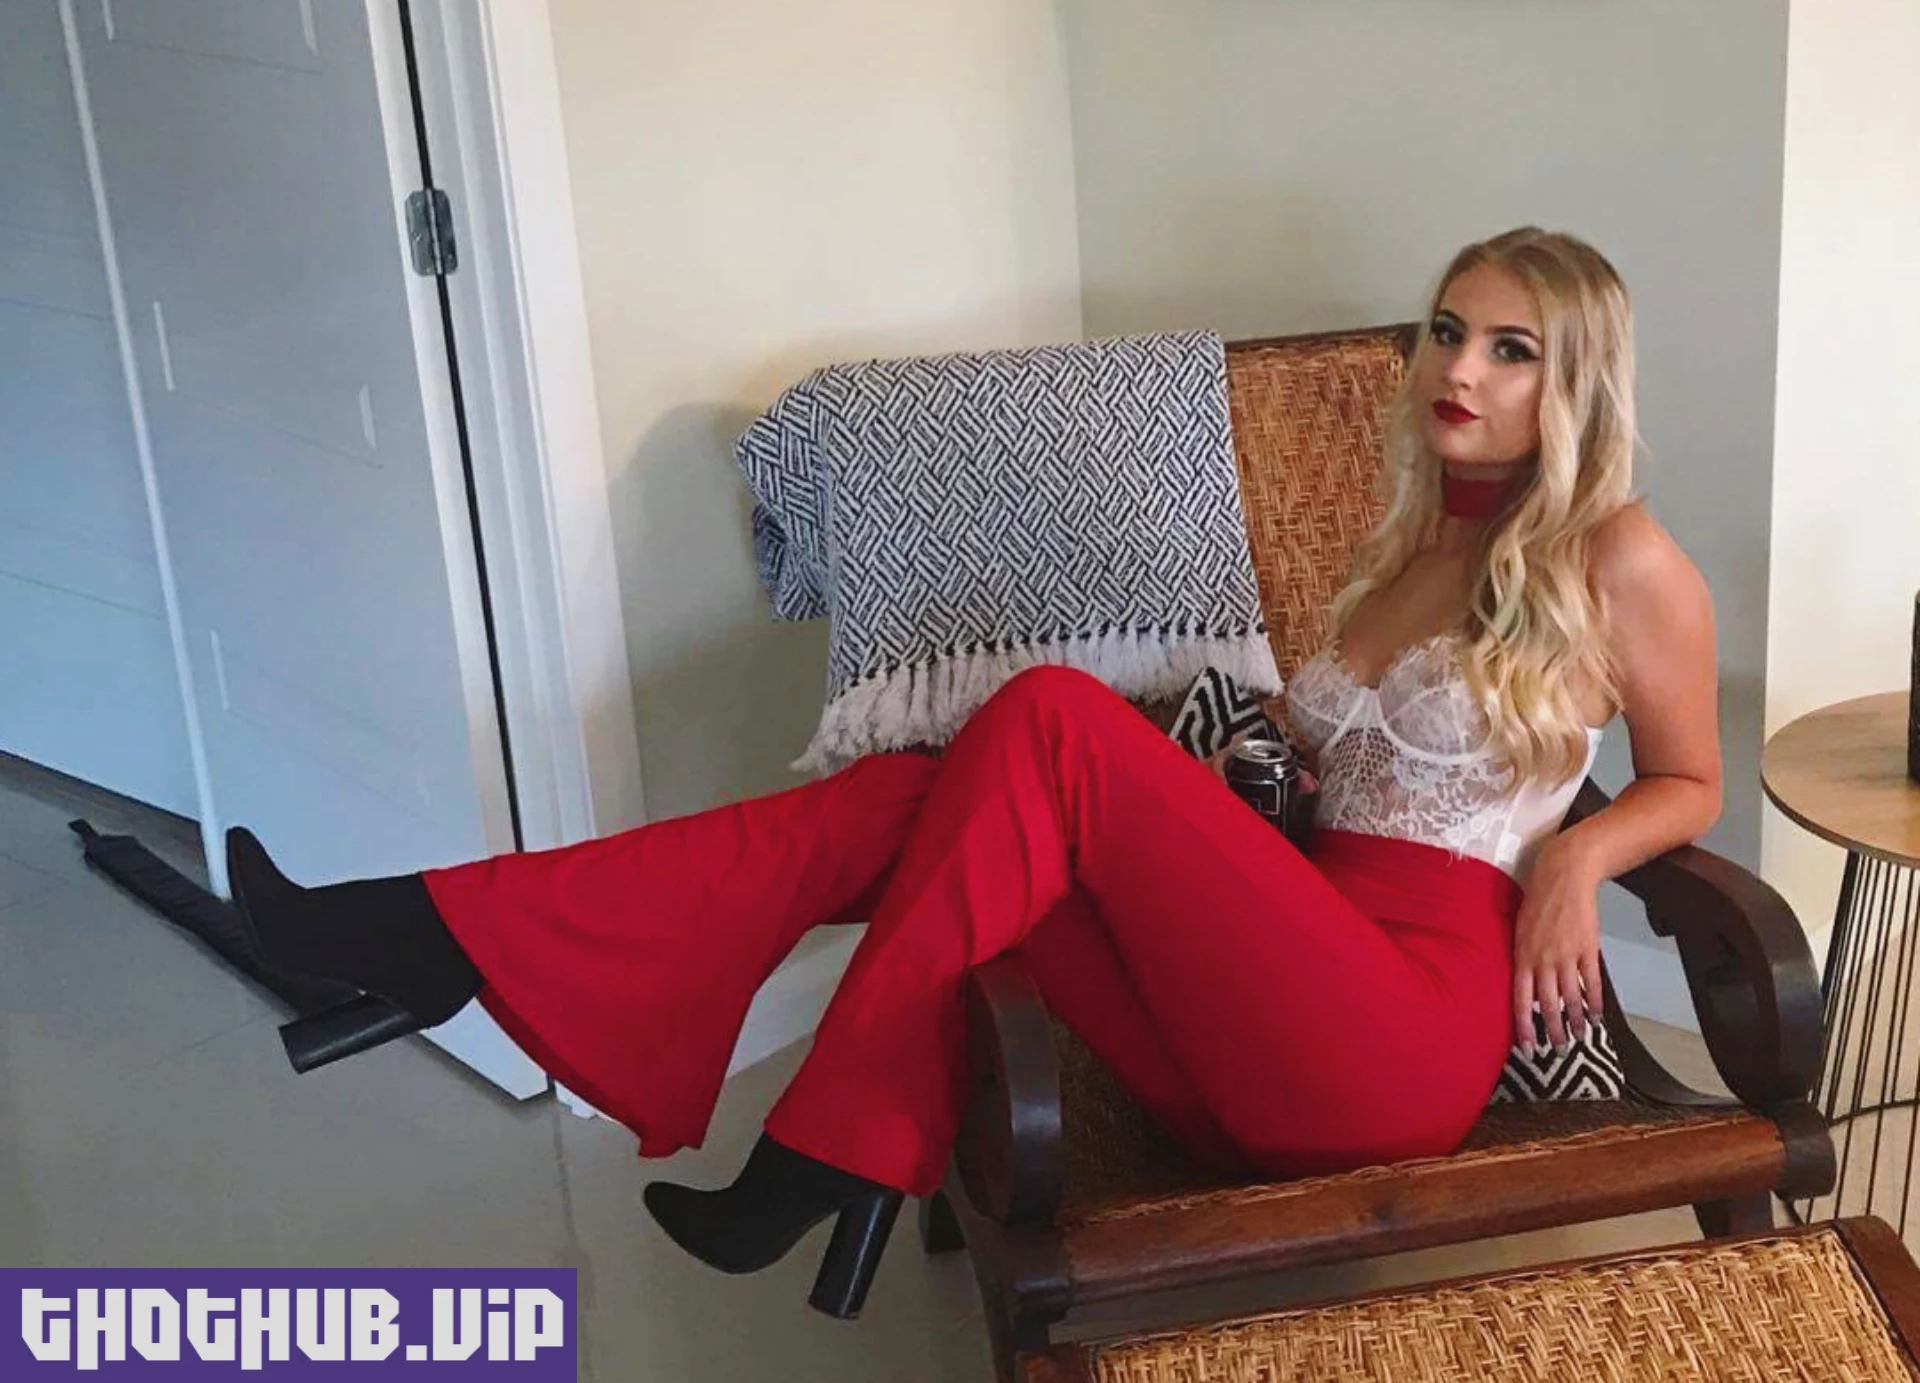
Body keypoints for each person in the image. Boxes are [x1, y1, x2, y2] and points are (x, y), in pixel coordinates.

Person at [227, 227, 1717, 1320]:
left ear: (1575, 378)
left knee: (1051, 716)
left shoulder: (1620, 556)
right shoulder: (1408, 545)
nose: (1458, 366)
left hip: (1391, 1039)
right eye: (1449, 329)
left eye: (1510, 348)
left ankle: (808, 1129)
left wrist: (1575, 856)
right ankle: (438, 930)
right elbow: (1321, 775)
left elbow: (1690, 778)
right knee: (918, 796)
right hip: (1248, 1024)